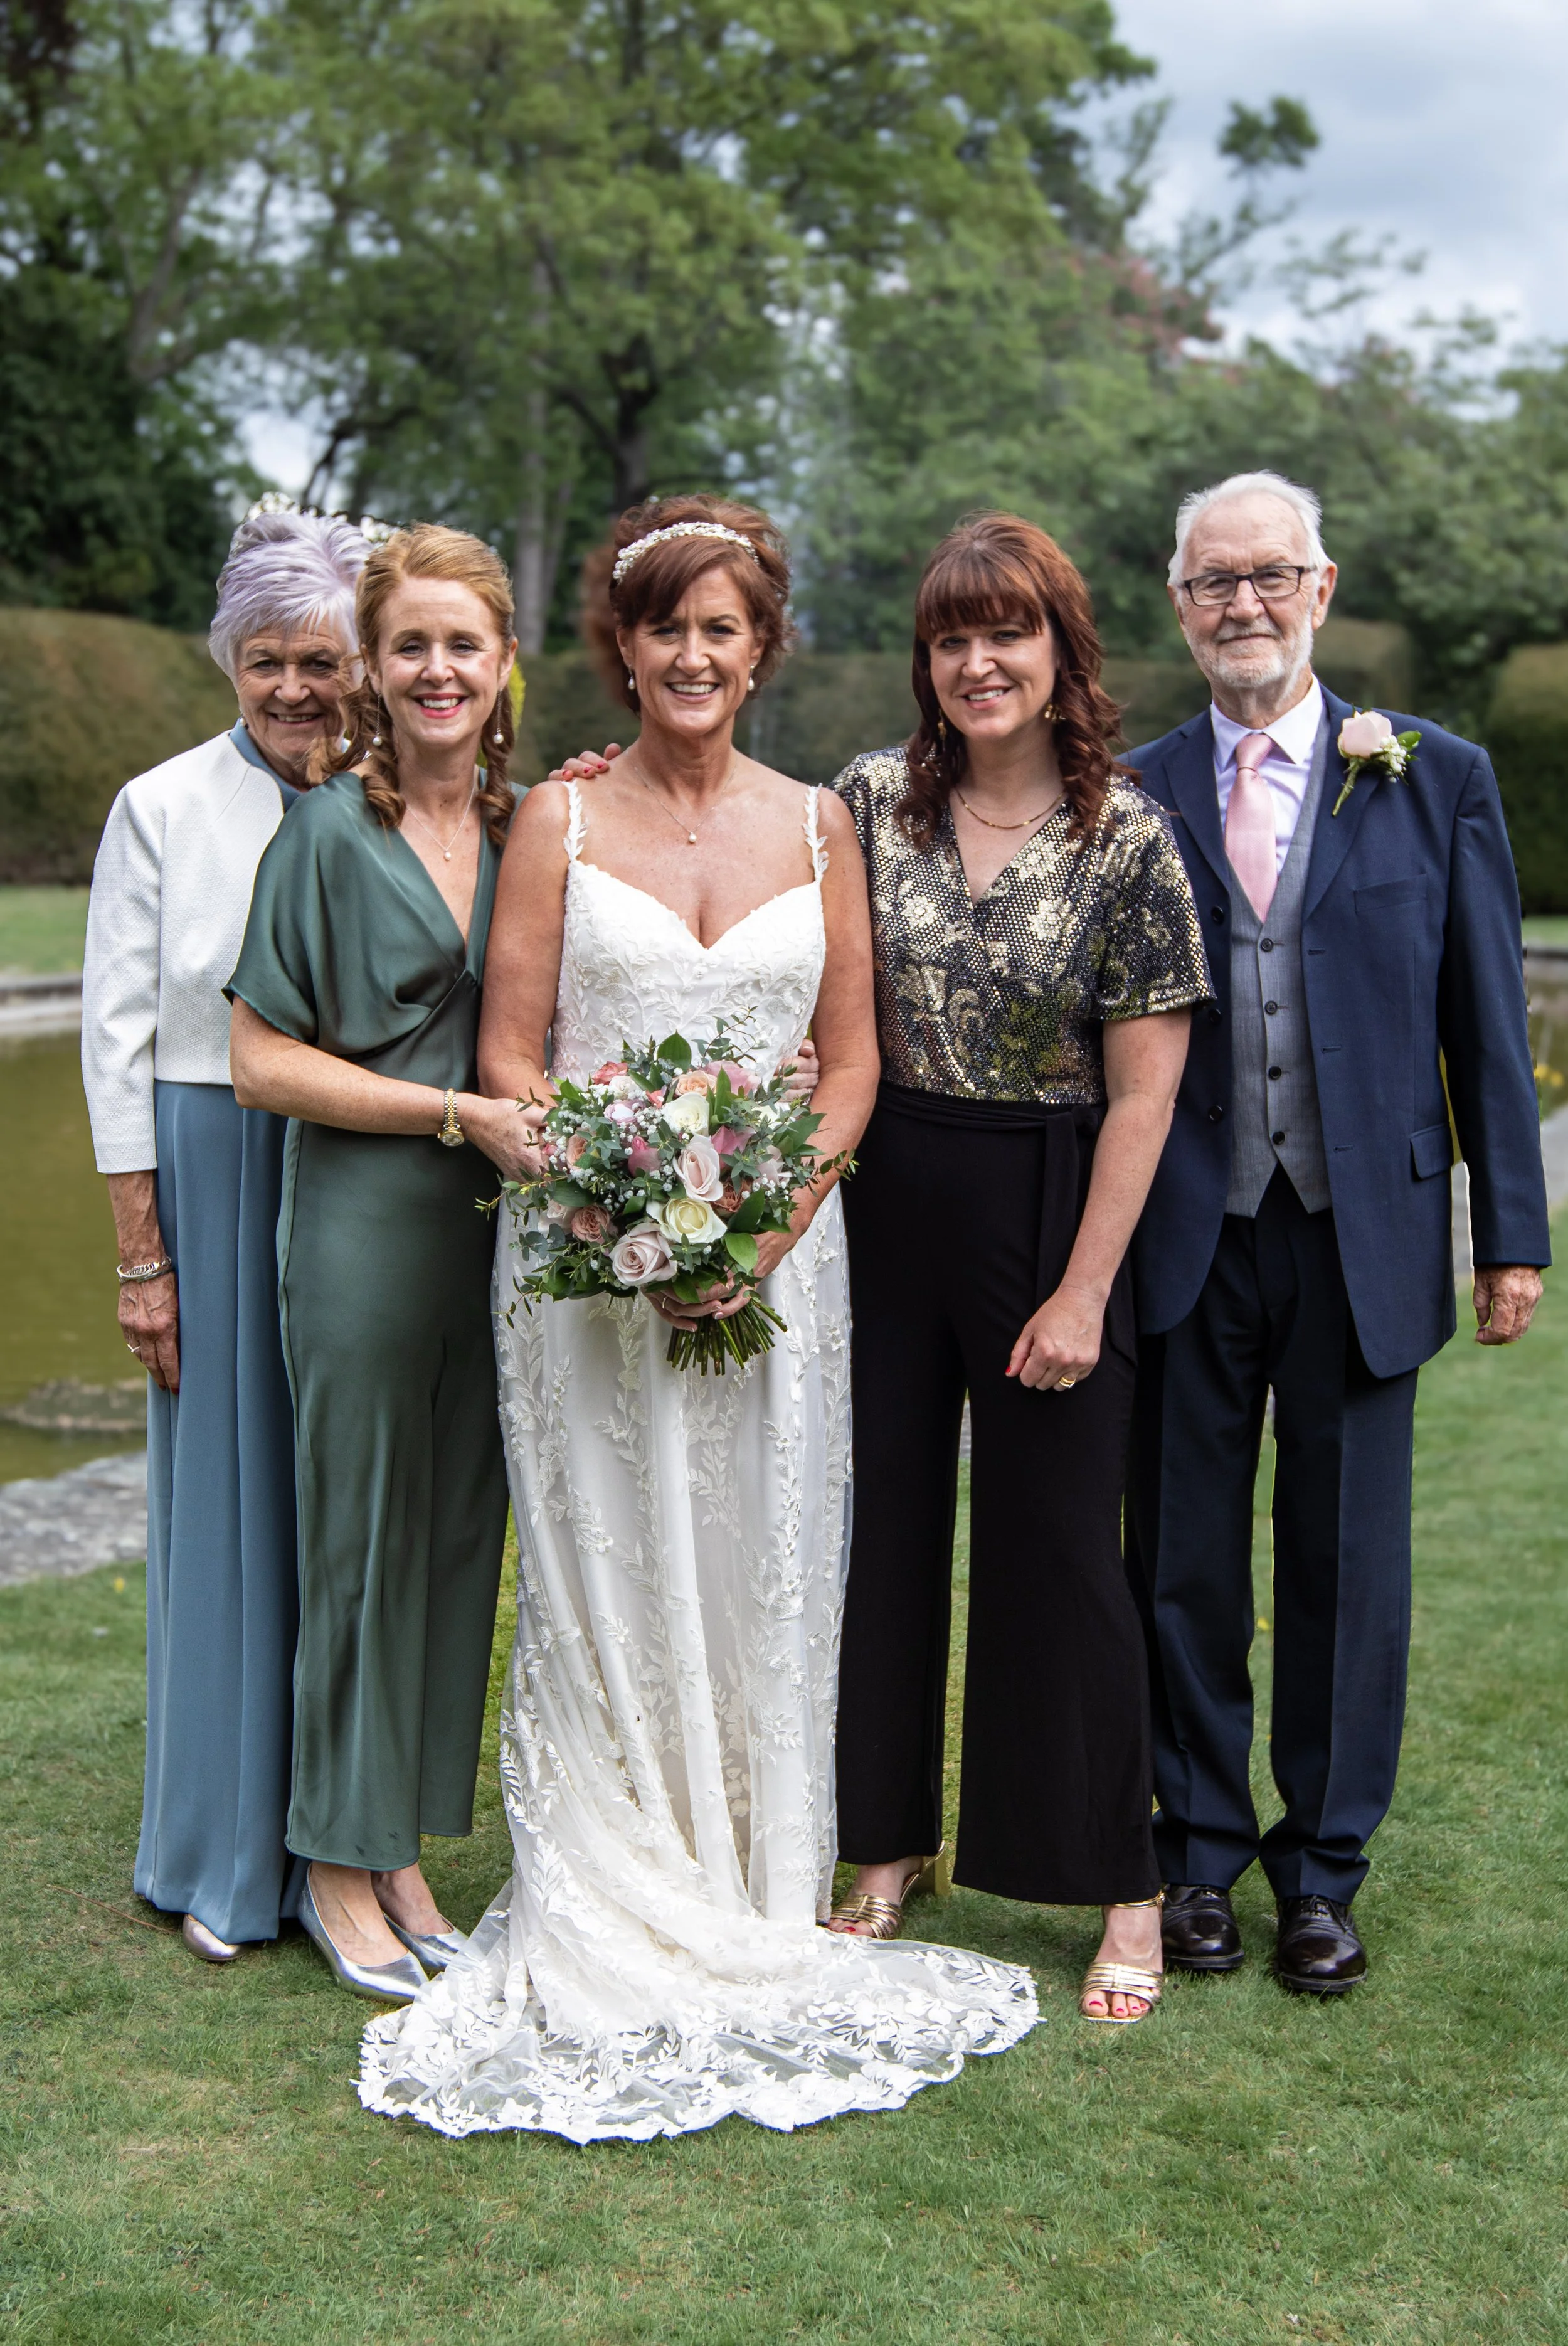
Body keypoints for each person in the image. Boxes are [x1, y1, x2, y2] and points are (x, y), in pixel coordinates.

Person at [357, 494, 1037, 2142]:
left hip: (779, 1273)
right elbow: (510, 1058)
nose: (691, 653)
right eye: (664, 624)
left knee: (756, 1564)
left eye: (720, 625)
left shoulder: (822, 827)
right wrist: (619, 1208)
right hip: (587, 1268)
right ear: (624, 645)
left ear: (760, 647)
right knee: (609, 1564)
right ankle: (610, 1874)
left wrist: (763, 1219)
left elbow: (852, 1058)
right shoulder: (559, 827)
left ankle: (754, 1869)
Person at [1124, 470, 1550, 1994]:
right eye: (1210, 581)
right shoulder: (1130, 783)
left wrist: (1512, 1232)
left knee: (1344, 1562)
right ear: (1178, 608)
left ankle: (1319, 1871)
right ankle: (1192, 1860)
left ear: (1318, 585)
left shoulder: (1433, 777)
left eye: (1267, 575)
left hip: (1364, 1229)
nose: (1240, 603)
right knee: (1176, 1559)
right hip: (1180, 1232)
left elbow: (1483, 1023)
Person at [821, 514, 1212, 2028]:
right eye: (948, 637)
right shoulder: (864, 802)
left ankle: (1121, 1877)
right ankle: (886, 1842)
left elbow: (1146, 1096)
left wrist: (1081, 1289)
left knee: (1060, 1551)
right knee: (886, 1528)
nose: (977, 661)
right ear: (926, 663)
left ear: (1061, 651)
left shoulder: (1125, 836)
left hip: (1051, 1197)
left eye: (1007, 633)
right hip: (885, 1187)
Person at [228, 524, 534, 2002]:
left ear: (500, 662)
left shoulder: (533, 825)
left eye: (459, 644)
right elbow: (256, 1060)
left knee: (455, 1537)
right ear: (374, 664)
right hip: (360, 1224)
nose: (435, 670)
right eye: (408, 644)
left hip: (492, 1243)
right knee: (354, 1538)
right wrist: (449, 1110)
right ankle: (332, 1865)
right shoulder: (323, 834)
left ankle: (400, 1844)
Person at [81, 499, 369, 1964]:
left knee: (343, 1510)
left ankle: (345, 1848)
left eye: (323, 659)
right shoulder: (162, 804)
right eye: (269, 661)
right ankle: (218, 1850)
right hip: (210, 1162)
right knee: (231, 1511)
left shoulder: (397, 796)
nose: (297, 690)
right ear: (229, 664)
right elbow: (115, 1041)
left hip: (362, 1167)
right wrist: (145, 1258)